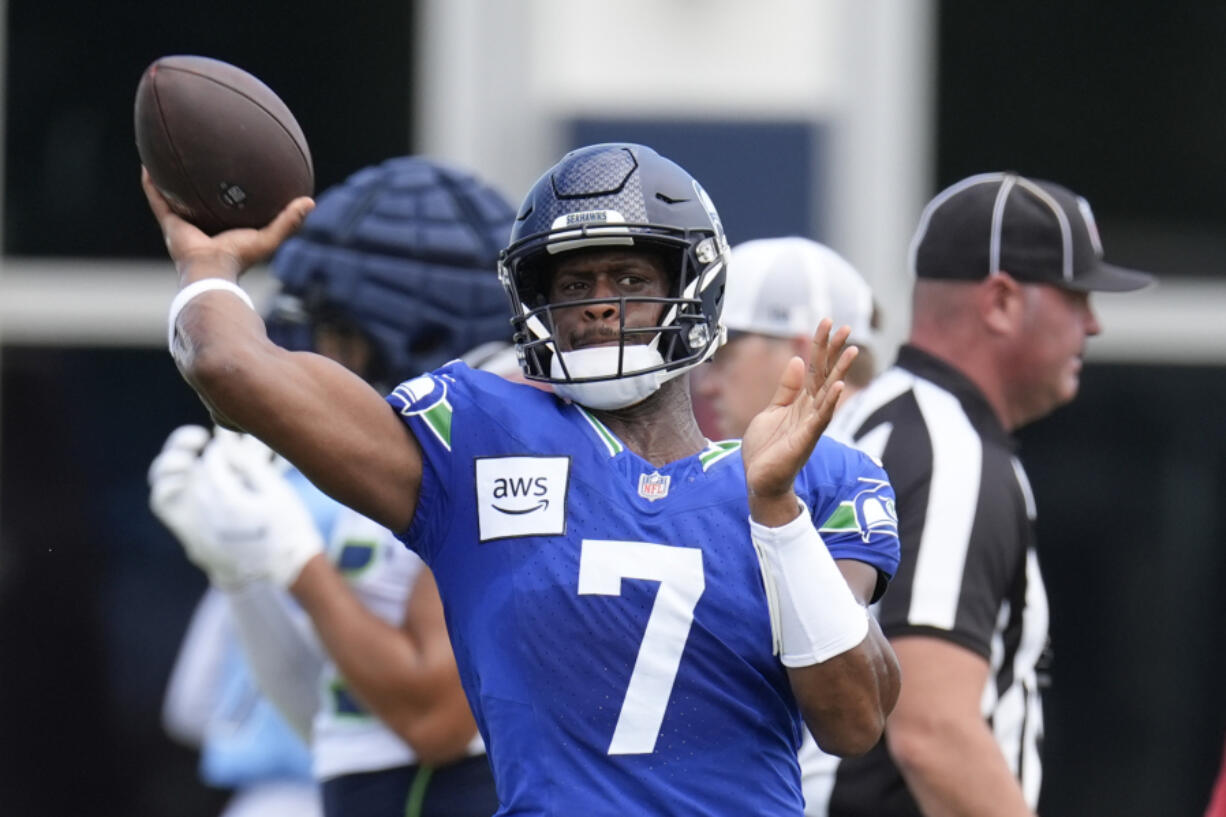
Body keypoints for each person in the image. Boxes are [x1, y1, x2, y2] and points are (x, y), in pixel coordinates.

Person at [140, 141, 903, 816]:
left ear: (691, 286)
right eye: (573, 285)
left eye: (630, 276)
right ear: (536, 304)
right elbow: (228, 366)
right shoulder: (478, 435)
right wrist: (208, 269)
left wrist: (776, 513)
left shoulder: (822, 477)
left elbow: (854, 718)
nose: (600, 304)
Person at [150, 155, 515, 817]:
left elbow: (433, 720)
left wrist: (297, 566)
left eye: (339, 331)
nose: (317, 350)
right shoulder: (369, 477)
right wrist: (245, 571)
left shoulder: (497, 451)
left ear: (417, 325)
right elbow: (334, 720)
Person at [814, 171, 1154, 816]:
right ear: (1000, 301)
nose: (1095, 324)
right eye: (1076, 296)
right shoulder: (951, 454)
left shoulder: (873, 418)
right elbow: (934, 731)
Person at [694, 236, 879, 440]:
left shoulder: (886, 460)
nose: (705, 386)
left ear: (804, 356)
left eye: (724, 358)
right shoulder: (871, 455)